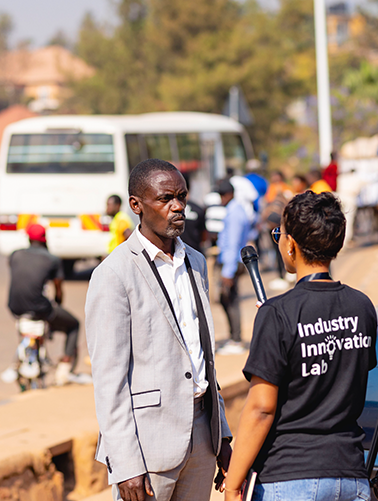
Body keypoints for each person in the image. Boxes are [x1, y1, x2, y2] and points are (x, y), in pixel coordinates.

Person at [85, 159, 233, 501]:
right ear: (136, 205)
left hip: (201, 438)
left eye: (181, 196)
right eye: (165, 199)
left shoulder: (195, 262)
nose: (177, 207)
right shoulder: (114, 275)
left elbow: (202, 358)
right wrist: (125, 464)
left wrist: (221, 435)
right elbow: (110, 380)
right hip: (147, 448)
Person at [224, 191, 377, 501]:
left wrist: (232, 483)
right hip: (351, 476)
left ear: (291, 244)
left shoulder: (278, 313)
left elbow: (261, 408)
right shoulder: (362, 306)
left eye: (279, 234)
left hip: (291, 477)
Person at [7, 223, 80, 386]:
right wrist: (58, 306)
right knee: (74, 325)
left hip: (15, 308)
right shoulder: (52, 259)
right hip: (40, 309)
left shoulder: (15, 255)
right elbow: (59, 291)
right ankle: (64, 369)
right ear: (44, 239)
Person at [215, 179, 253, 355]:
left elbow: (233, 243)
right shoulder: (235, 210)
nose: (220, 199)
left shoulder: (234, 213)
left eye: (222, 195)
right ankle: (234, 337)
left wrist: (227, 271)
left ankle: (236, 339)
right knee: (227, 300)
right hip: (231, 260)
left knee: (230, 299)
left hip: (232, 262)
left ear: (228, 194)